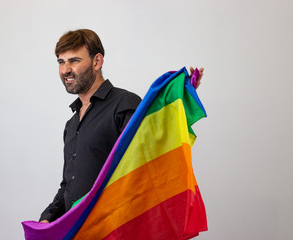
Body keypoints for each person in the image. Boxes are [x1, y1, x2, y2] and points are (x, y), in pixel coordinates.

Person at [39, 29, 204, 223]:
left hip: (113, 229)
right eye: (61, 62)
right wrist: (47, 219)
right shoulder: (71, 124)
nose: (65, 69)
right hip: (77, 231)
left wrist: (177, 102)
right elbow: (68, 184)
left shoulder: (124, 105)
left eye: (74, 60)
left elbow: (149, 162)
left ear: (97, 61)